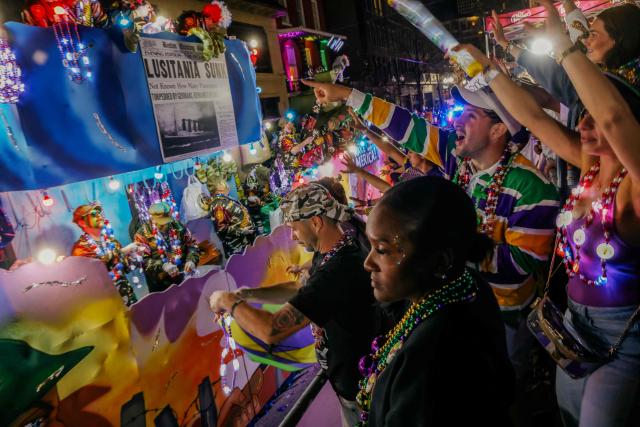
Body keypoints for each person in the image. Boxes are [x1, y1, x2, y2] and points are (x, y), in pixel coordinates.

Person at [302, 78, 560, 384]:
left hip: (504, 320)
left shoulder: (534, 189)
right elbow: (408, 127)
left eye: (470, 115)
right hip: (453, 306)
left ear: (498, 129)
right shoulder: (459, 161)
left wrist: (448, 251)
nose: (458, 121)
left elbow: (522, 264)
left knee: (497, 393)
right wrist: (347, 94)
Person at [456, 2, 640, 425]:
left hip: (622, 338)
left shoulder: (635, 186)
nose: (585, 127)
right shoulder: (588, 164)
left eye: (596, 122)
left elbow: (612, 116)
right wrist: (484, 67)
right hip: (571, 325)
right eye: (583, 120)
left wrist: (564, 49)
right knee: (567, 416)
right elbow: (531, 117)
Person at [209, 183, 382, 426]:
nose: (292, 236)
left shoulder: (337, 271)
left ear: (316, 222)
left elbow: (271, 330)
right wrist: (249, 294)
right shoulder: (336, 250)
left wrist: (227, 300)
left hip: (361, 390)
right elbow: (303, 291)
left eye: (294, 228)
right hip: (355, 380)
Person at [357, 176, 514, 426]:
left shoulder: (431, 357)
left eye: (383, 250)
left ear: (439, 262)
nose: (368, 263)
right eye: (371, 246)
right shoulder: (465, 283)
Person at [492, 0, 640, 129]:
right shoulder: (605, 73)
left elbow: (553, 74)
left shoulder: (613, 88)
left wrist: (558, 39)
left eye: (593, 35)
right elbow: (577, 29)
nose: (586, 41)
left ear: (619, 39)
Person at [71, 203, 138, 306]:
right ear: (82, 222)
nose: (99, 216)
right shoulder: (80, 249)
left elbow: (124, 269)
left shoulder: (111, 241)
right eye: (93, 214)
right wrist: (123, 251)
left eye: (99, 213)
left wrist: (134, 255)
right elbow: (97, 270)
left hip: (128, 298)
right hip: (105, 304)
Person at [134, 202, 199, 293]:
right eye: (161, 224)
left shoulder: (177, 226)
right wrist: (162, 265)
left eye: (166, 222)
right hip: (160, 287)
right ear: (152, 219)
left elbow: (192, 245)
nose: (164, 226)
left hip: (183, 278)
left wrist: (191, 260)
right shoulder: (142, 234)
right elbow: (142, 261)